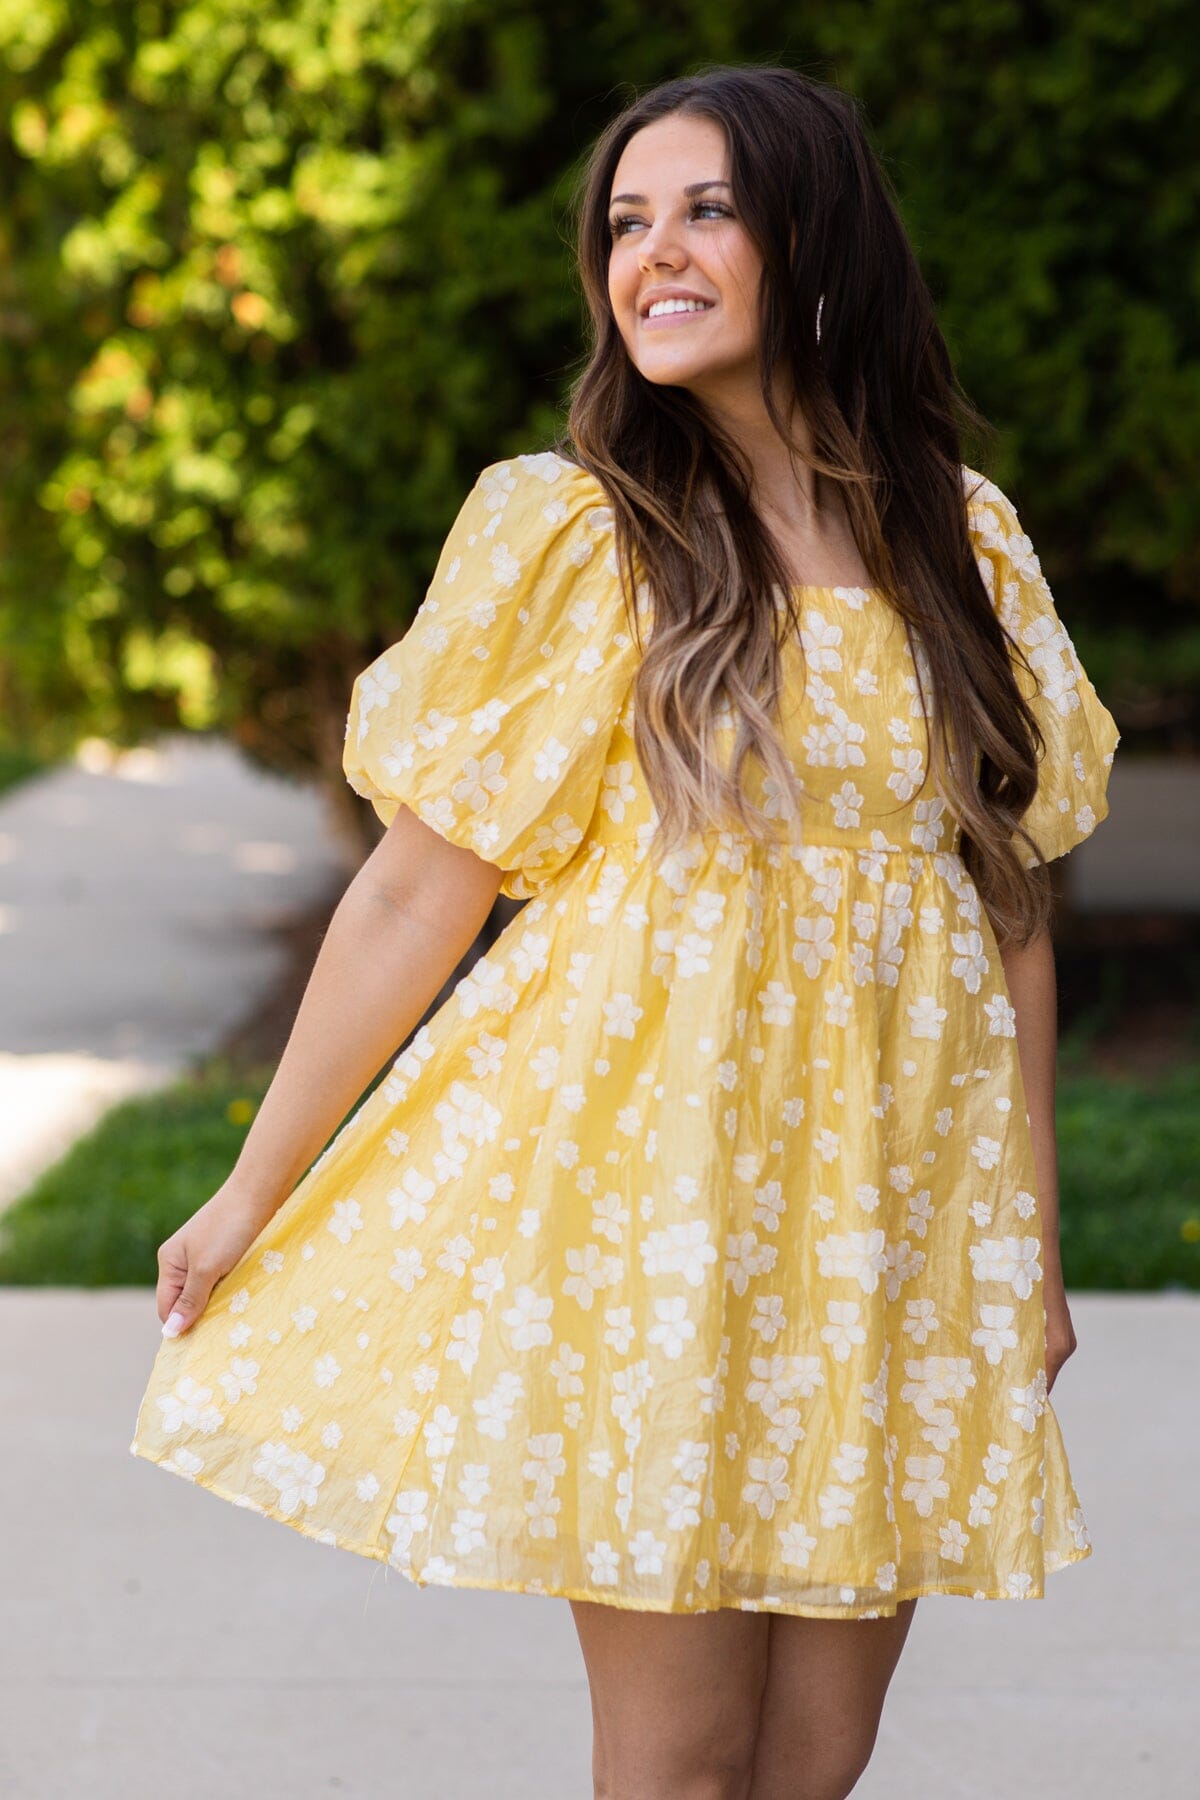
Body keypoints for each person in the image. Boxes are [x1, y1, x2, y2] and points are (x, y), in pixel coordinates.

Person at [130, 63, 1119, 1800]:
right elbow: (414, 892)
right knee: (678, 1769)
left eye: (705, 210)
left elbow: (1009, 905)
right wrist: (253, 1185)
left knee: (818, 1757)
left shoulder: (964, 541)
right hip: (658, 1221)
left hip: (890, 1216)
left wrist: (1026, 1234)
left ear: (818, 245)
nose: (650, 253)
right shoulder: (577, 535)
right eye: (625, 222)